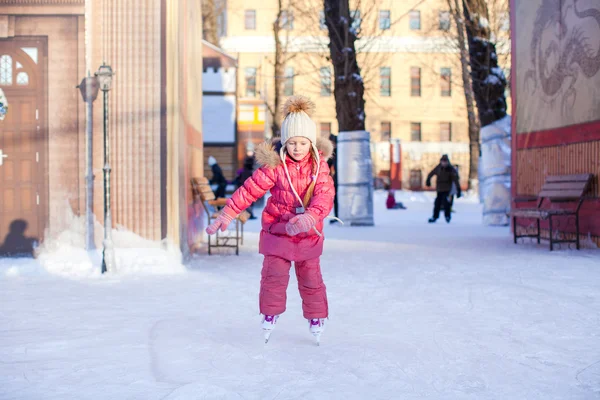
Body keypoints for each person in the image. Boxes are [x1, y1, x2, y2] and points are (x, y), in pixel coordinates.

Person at [206, 95, 334, 345]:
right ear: (285, 143)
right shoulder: (275, 166)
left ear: (311, 143)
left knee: (311, 279)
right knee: (273, 276)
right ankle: (269, 314)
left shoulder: (319, 169)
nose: (297, 148)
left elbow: (324, 196)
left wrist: (310, 217)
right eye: (292, 143)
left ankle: (316, 317)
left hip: (307, 234)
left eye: (302, 143)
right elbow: (251, 189)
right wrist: (229, 212)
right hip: (278, 232)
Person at [425, 154, 461, 223]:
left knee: (446, 203)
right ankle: (435, 216)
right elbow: (431, 174)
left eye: (445, 162)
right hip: (439, 188)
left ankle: (447, 216)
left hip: (447, 189)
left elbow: (455, 180)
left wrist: (458, 190)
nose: (444, 163)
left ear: (447, 162)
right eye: (442, 161)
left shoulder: (450, 169)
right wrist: (428, 180)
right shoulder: (438, 168)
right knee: (437, 203)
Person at [234, 154, 257, 219]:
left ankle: (249, 214)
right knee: (249, 202)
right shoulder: (248, 172)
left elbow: (238, 179)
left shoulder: (243, 171)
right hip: (246, 189)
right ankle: (249, 214)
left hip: (243, 188)